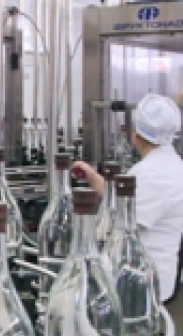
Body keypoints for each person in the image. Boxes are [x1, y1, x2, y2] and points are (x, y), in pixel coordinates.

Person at [72, 93, 183, 304]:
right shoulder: (169, 165)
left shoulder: (154, 173)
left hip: (140, 281)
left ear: (136, 135)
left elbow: (124, 224)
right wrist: (92, 177)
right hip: (146, 274)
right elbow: (121, 201)